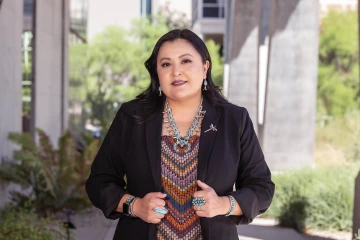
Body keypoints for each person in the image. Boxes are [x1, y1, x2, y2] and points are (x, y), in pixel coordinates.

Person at [85, 29, 275, 240]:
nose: (176, 72)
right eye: (166, 64)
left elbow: (262, 188)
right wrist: (135, 205)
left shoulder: (234, 120)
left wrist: (223, 204)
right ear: (157, 73)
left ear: (205, 67)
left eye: (186, 61)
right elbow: (99, 182)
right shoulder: (132, 117)